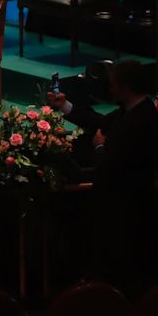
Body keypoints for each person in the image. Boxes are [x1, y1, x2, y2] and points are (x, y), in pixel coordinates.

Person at [47, 59, 158, 289]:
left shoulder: (142, 121)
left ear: (126, 87)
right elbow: (98, 122)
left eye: (114, 85)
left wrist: (99, 147)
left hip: (128, 208)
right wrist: (65, 105)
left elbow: (112, 167)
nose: (111, 89)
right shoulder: (131, 111)